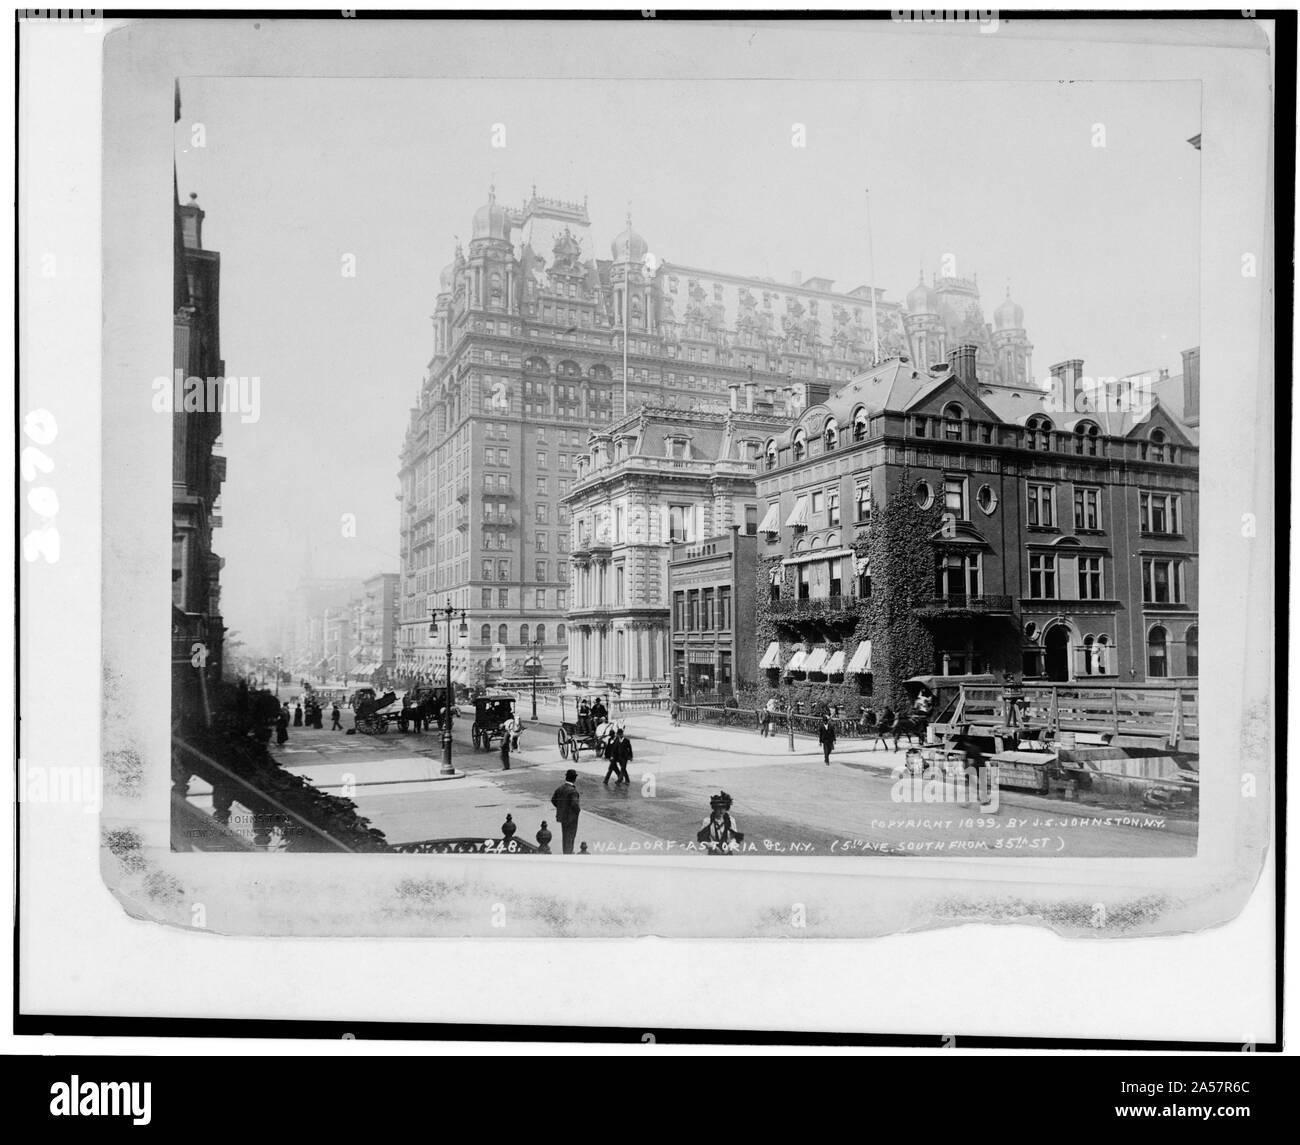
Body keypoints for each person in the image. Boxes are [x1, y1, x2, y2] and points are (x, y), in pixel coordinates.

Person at [550, 769, 581, 854]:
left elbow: (553, 800)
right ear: (574, 779)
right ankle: (569, 852)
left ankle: (566, 851)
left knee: (565, 835)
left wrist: (561, 807)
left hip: (563, 817)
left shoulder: (560, 788)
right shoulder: (573, 791)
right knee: (571, 836)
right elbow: (575, 805)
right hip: (571, 818)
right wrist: (577, 811)